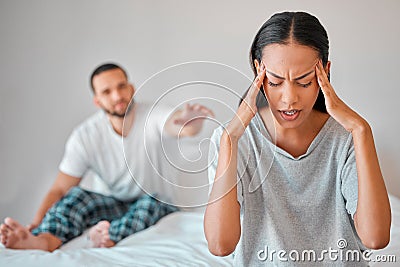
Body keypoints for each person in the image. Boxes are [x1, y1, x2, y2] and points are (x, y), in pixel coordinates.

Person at [204, 11, 391, 266]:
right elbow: (220, 245)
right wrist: (230, 140)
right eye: (276, 81)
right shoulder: (233, 140)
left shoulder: (346, 139)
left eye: (304, 82)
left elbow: (375, 237)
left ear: (324, 71)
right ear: (259, 70)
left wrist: (362, 131)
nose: (289, 98)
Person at [0, 63, 214, 251]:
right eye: (107, 91)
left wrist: (189, 122)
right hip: (112, 205)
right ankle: (42, 241)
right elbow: (60, 189)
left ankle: (107, 236)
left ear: (131, 87)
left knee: (150, 203)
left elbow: (177, 124)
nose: (117, 96)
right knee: (76, 198)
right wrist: (37, 223)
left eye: (121, 86)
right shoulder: (85, 136)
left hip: (155, 202)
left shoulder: (153, 115)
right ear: (97, 101)